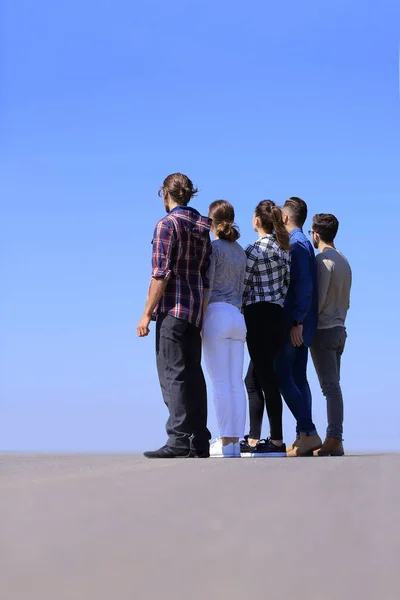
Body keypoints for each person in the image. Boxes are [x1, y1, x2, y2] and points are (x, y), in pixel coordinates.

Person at [137, 173, 212, 459]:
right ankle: (199, 440)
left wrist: (146, 314)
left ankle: (179, 438)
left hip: (172, 309)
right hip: (194, 310)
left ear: (164, 194)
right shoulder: (202, 226)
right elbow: (205, 273)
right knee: (193, 373)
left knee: (172, 374)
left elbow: (160, 274)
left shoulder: (167, 225)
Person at [240, 200, 291, 458]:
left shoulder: (252, 250)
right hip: (277, 314)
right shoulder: (284, 249)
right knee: (255, 378)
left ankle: (275, 440)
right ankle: (255, 438)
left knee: (264, 379)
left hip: (257, 315)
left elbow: (244, 285)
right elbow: (286, 285)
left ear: (257, 221)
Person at [274, 197, 322, 456]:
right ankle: (303, 436)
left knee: (282, 376)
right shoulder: (303, 242)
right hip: (303, 322)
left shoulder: (296, 244)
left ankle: (308, 430)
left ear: (285, 218)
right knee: (299, 378)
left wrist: (296, 321)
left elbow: (303, 285)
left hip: (295, 322)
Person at [202, 200, 247, 458]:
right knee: (235, 383)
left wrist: (201, 317)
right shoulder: (240, 251)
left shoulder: (213, 248)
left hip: (217, 313)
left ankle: (224, 440)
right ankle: (234, 442)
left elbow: (208, 285)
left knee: (219, 382)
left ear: (212, 221)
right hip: (237, 317)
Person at [309, 214, 352, 456]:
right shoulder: (344, 260)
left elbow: (319, 300)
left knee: (330, 387)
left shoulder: (323, 261)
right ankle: (335, 437)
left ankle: (334, 437)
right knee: (334, 385)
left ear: (316, 234)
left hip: (324, 330)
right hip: (340, 328)